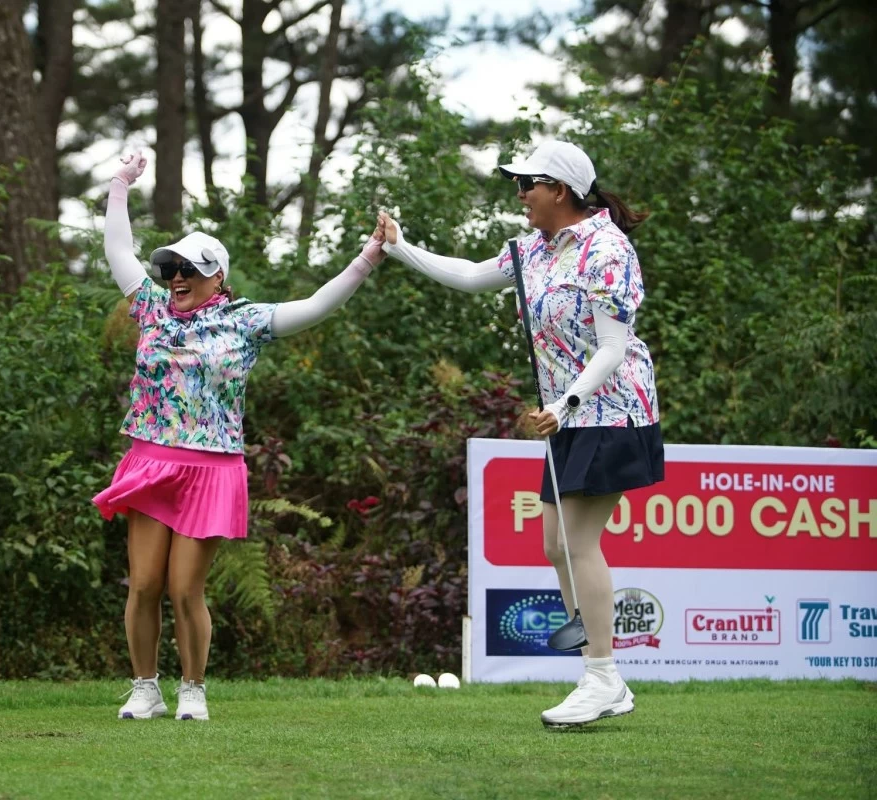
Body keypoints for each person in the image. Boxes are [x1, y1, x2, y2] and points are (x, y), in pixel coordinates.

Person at [377, 140, 664, 727]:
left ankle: (602, 677)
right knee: (554, 545)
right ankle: (603, 675)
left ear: (559, 190)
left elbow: (613, 348)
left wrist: (567, 401)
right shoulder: (534, 249)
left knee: (579, 544)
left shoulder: (607, 249)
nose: (519, 193)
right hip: (566, 415)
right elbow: (469, 276)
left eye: (527, 183)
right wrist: (400, 247)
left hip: (611, 410)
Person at [93, 152, 384, 721]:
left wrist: (368, 257)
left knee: (184, 588)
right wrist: (120, 185)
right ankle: (145, 686)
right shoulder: (151, 308)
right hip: (150, 462)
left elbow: (318, 305)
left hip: (212, 468)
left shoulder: (245, 320)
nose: (177, 277)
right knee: (145, 584)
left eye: (191, 270)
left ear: (218, 277)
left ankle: (192, 689)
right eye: (171, 267)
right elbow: (116, 251)